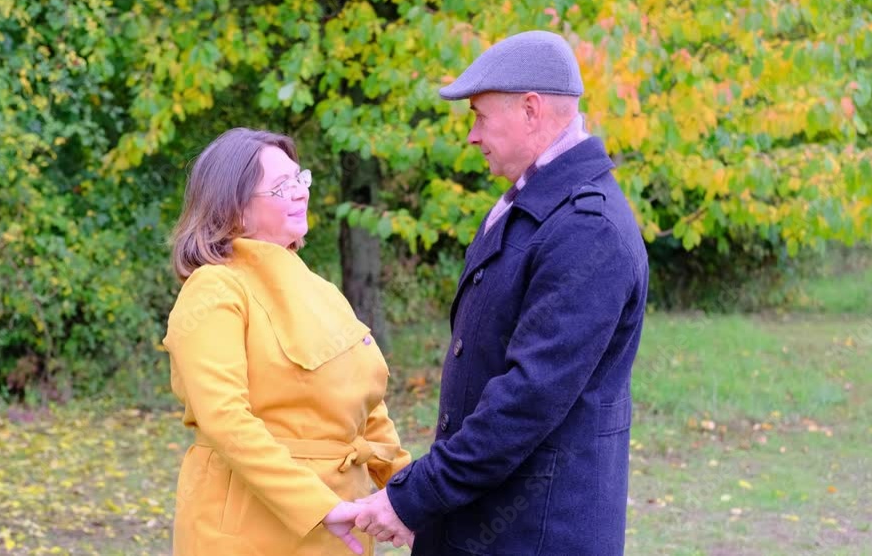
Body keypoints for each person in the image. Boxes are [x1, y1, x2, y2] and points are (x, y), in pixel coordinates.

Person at [354, 30, 649, 555]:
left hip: (537, 535)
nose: (472, 136)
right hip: (493, 522)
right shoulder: (534, 206)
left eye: (480, 116)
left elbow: (527, 399)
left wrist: (415, 498)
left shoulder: (588, 229)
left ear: (531, 110)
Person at [162, 127, 412, 555]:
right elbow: (224, 419)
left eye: (301, 178)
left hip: (342, 525)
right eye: (282, 186)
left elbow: (369, 413)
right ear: (234, 210)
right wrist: (318, 505)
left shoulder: (323, 291)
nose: (301, 192)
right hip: (252, 529)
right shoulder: (215, 288)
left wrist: (413, 497)